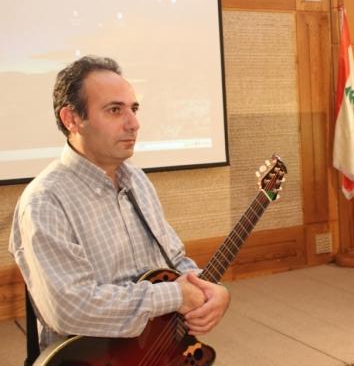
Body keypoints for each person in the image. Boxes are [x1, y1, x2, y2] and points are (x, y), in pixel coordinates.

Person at [9, 55, 230, 352]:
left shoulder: (137, 180)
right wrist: (175, 296)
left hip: (154, 349)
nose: (134, 124)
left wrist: (212, 289)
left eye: (133, 109)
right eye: (115, 110)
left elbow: (174, 260)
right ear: (71, 119)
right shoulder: (44, 202)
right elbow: (71, 308)